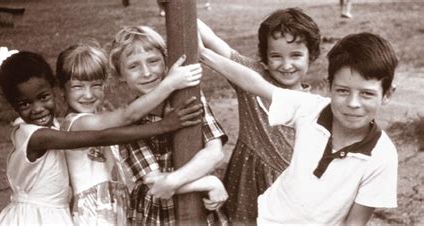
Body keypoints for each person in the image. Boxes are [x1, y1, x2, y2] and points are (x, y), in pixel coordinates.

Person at [0, 48, 203, 226]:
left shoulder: (53, 126)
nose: (37, 109)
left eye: (43, 97)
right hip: (39, 217)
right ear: (12, 105)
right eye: (25, 104)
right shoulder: (38, 135)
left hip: (71, 211)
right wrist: (165, 123)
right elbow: (103, 136)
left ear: (53, 90)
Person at [200, 32, 398, 225]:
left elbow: (355, 222)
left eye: (367, 94)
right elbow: (255, 84)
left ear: (387, 94)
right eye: (343, 91)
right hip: (266, 217)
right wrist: (203, 54)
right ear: (329, 86)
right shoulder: (310, 108)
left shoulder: (382, 156)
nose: (353, 103)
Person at [56, 40, 203, 225]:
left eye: (96, 85)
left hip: (117, 204)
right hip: (92, 213)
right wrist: (169, 85)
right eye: (78, 86)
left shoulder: (100, 116)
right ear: (62, 90)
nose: (88, 94)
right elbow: (127, 116)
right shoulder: (75, 123)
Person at [197, 7, 321, 224]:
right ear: (264, 57)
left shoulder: (313, 106)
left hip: (286, 192)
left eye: (296, 55)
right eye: (276, 56)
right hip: (245, 182)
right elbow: (210, 38)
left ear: (312, 56)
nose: (286, 65)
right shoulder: (250, 76)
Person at [108, 26, 229, 225]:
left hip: (200, 208)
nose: (146, 73)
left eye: (153, 61)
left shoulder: (188, 97)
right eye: (133, 66)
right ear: (121, 75)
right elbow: (154, 184)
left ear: (165, 62)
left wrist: (173, 181)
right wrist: (208, 182)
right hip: (157, 213)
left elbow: (215, 152)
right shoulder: (131, 119)